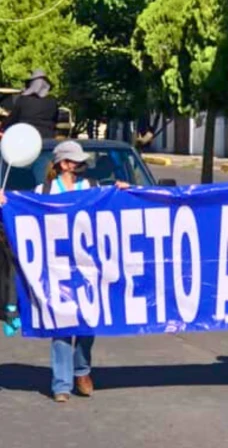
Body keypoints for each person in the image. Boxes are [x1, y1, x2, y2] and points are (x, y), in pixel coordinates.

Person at [0, 140, 130, 402]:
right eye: (75, 160)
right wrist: (6, 203)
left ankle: (82, 371)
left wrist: (123, 191)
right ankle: (61, 383)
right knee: (61, 325)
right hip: (56, 267)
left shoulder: (92, 186)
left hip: (89, 267)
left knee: (87, 323)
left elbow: (112, 212)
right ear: (63, 164)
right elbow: (25, 216)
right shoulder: (44, 191)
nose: (80, 164)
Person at [1, 70, 59, 138]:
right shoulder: (52, 101)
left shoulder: (23, 100)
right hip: (47, 138)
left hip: (24, 137)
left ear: (31, 84)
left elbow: (11, 120)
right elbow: (56, 120)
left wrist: (3, 125)